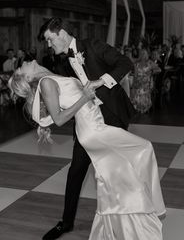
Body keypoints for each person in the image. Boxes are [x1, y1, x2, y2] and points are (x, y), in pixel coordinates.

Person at [9, 60, 166, 240]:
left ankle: (119, 226)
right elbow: (59, 119)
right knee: (143, 149)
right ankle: (143, 211)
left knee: (116, 177)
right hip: (93, 131)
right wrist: (84, 96)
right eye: (22, 67)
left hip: (96, 125)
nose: (25, 62)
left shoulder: (48, 77)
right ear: (28, 76)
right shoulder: (46, 83)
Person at [37, 16, 137, 239]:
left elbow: (125, 63)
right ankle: (66, 223)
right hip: (86, 123)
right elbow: (62, 94)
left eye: (50, 39)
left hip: (112, 117)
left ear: (61, 33)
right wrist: (45, 120)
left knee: (113, 173)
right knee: (75, 173)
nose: (49, 45)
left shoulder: (92, 45)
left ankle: (122, 219)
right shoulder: (62, 62)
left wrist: (101, 81)